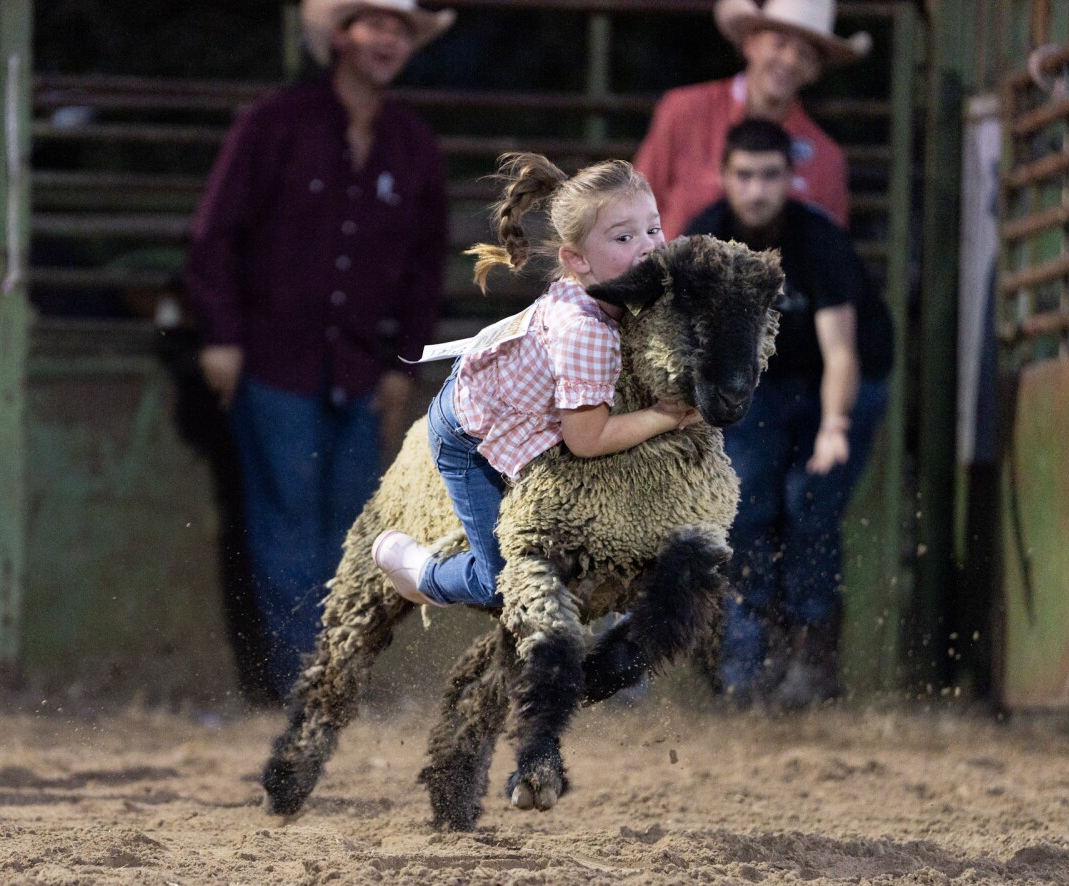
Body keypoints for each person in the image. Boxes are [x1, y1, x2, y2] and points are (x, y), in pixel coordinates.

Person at [184, 0, 453, 700]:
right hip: (275, 359)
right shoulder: (274, 124)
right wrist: (222, 337)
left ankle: (330, 678)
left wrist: (404, 366)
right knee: (287, 531)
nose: (390, 38)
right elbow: (217, 234)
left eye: (400, 28)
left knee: (352, 532)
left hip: (361, 367)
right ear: (341, 37)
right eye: (375, 24)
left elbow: (425, 267)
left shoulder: (413, 146)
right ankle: (311, 685)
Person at [372, 154, 697, 608]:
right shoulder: (585, 331)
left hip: (514, 404)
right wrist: (666, 415)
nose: (647, 246)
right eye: (624, 237)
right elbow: (586, 439)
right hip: (469, 435)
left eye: (653, 229)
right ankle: (423, 575)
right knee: (504, 585)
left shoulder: (614, 289)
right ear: (576, 260)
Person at [686, 118, 892, 709]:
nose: (757, 190)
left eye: (770, 175)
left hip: (845, 381)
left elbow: (843, 353)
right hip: (755, 388)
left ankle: (813, 659)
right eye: (744, 175)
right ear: (723, 178)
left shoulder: (817, 242)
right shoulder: (703, 245)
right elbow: (685, 349)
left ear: (790, 178)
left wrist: (833, 428)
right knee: (746, 506)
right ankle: (747, 666)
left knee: (811, 501)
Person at [635, 0, 870, 240]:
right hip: (674, 274)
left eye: (804, 53)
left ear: (815, 70)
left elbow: (829, 258)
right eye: (779, 44)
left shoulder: (826, 160)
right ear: (750, 44)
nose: (789, 60)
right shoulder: (683, 112)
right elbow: (633, 208)